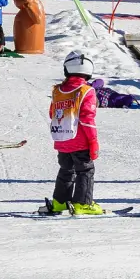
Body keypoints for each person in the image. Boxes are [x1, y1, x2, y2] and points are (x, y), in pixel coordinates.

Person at [44, 51, 103, 215]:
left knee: (66, 170)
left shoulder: (57, 90)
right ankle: (82, 203)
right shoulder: (86, 91)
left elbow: (52, 113)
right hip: (80, 141)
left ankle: (60, 202)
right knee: (85, 170)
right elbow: (87, 120)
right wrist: (93, 142)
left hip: (62, 139)